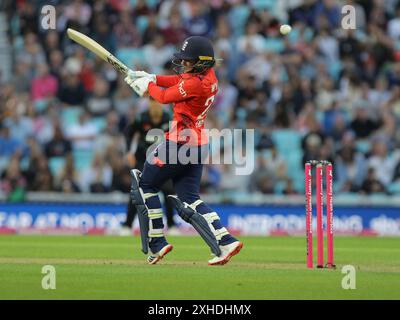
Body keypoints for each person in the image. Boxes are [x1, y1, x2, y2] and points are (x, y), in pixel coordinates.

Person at [124, 36, 243, 265]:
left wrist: (147, 86)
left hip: (179, 143)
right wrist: (153, 77)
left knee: (145, 185)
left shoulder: (196, 84)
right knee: (190, 199)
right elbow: (178, 80)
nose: (184, 64)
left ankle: (157, 242)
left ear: (200, 62)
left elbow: (163, 96)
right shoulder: (208, 77)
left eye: (188, 61)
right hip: (198, 145)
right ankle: (226, 240)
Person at [121, 98, 177, 233]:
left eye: (158, 102)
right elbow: (128, 133)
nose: (155, 104)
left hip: (163, 161)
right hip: (143, 159)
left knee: (168, 190)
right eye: (153, 101)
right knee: (137, 191)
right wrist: (129, 151)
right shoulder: (142, 117)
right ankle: (127, 226)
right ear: (149, 104)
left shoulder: (169, 118)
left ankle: (172, 225)